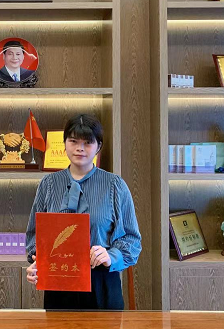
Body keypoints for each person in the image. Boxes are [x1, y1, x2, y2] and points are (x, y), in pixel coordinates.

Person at [25, 114, 141, 310]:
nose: (80, 148)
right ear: (64, 144)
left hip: (101, 281)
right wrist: (38, 262)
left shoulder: (115, 185)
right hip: (58, 280)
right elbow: (34, 234)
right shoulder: (49, 184)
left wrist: (110, 256)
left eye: (88, 142)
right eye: (73, 141)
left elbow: (132, 239)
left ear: (98, 146)